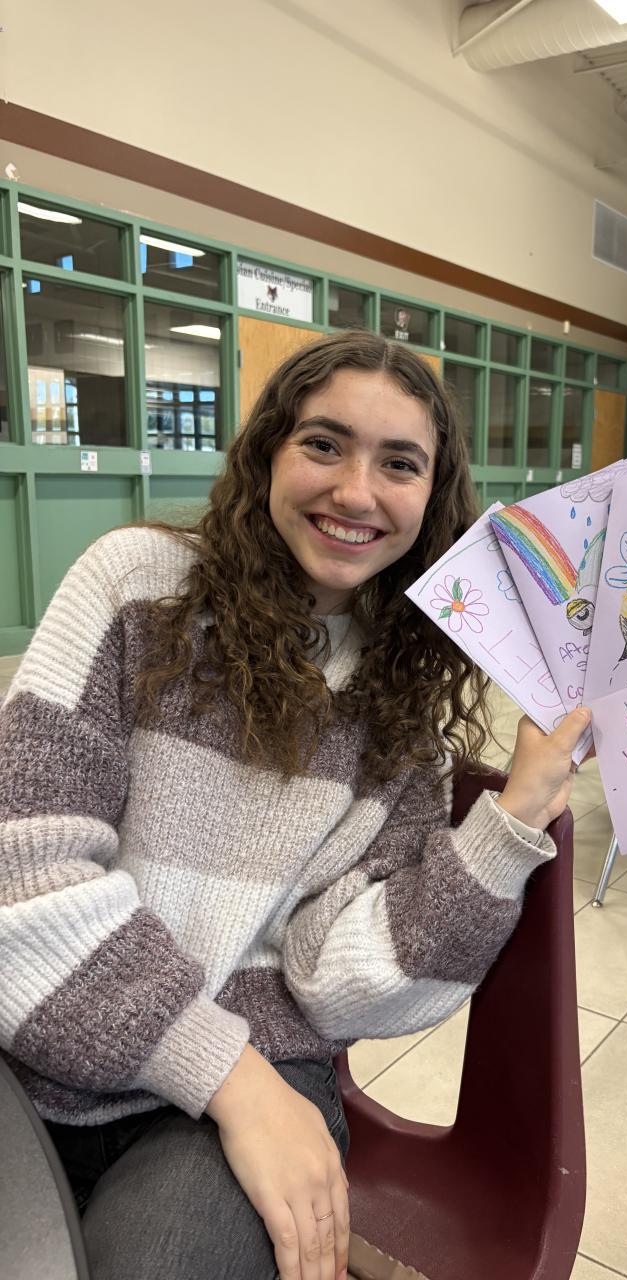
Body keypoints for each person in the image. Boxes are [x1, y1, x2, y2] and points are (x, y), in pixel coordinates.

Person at [0, 331, 588, 1280]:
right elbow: (20, 875)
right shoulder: (135, 588)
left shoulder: (402, 698)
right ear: (267, 452)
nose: (356, 491)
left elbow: (343, 977)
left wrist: (511, 823)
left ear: (433, 499)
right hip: (46, 1050)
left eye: (399, 464)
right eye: (324, 444)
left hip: (260, 1079)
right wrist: (221, 1072)